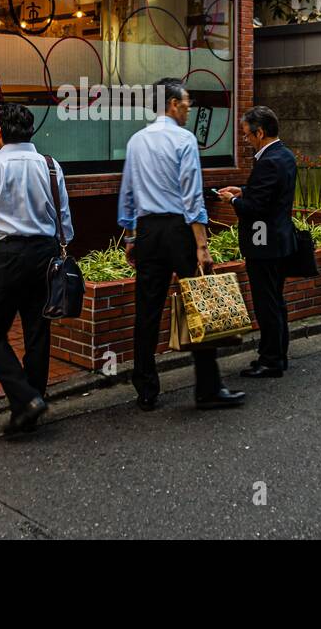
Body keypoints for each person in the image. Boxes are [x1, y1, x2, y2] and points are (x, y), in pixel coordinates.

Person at [118, 78, 245, 412]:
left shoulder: (136, 141)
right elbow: (192, 196)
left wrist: (131, 237)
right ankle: (207, 388)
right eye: (186, 102)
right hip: (178, 229)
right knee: (198, 302)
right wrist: (202, 245)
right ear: (172, 104)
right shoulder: (184, 139)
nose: (189, 108)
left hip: (147, 231)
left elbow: (128, 193)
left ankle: (145, 389)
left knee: (146, 310)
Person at [0, 103, 73, 436]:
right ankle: (30, 404)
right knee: (37, 330)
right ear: (30, 132)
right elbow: (65, 221)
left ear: (0, 132)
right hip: (45, 254)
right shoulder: (51, 166)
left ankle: (26, 399)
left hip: (7, 256)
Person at [219, 106, 297, 378]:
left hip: (263, 243)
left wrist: (234, 200)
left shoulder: (267, 161)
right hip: (279, 240)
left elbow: (256, 208)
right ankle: (277, 355)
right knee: (276, 301)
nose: (245, 140)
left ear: (260, 132)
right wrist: (245, 190)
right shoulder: (284, 155)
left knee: (266, 303)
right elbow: (270, 193)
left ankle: (270, 361)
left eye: (247, 135)